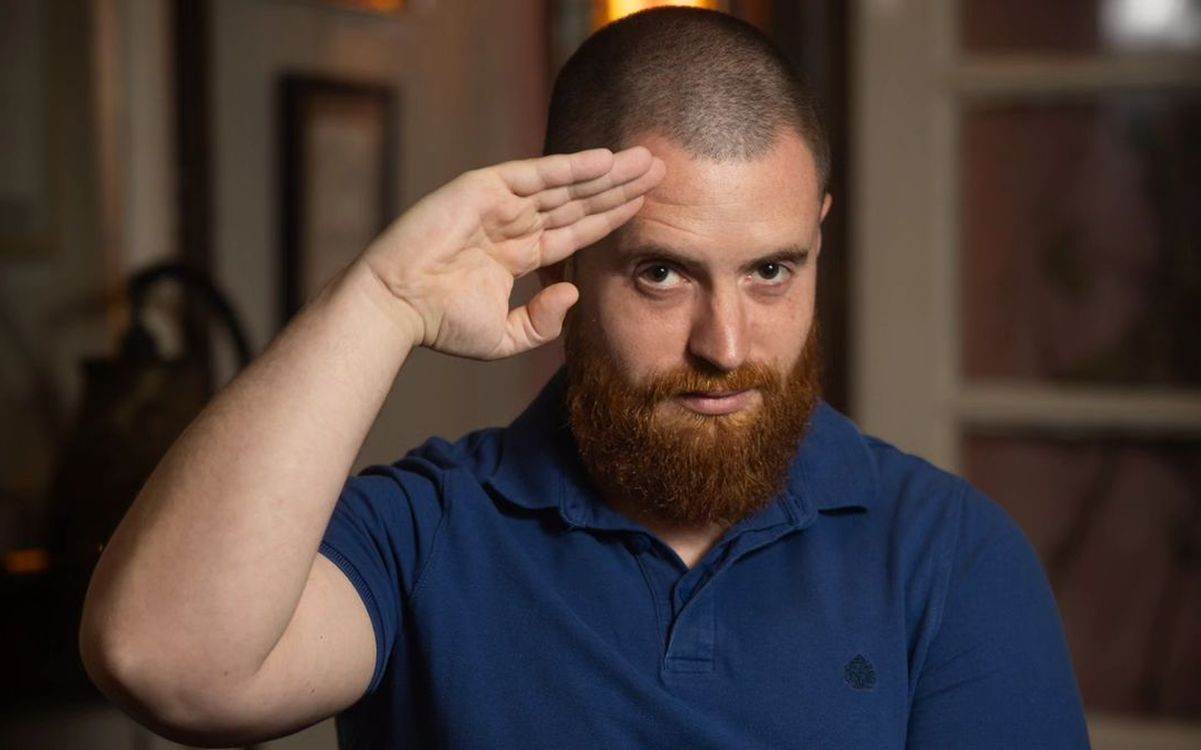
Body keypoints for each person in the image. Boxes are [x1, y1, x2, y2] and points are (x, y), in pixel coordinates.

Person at [79, 8, 1089, 749]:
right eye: (661, 274)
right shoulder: (425, 531)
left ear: (818, 238)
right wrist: (382, 299)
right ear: (563, 253)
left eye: (771, 272)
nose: (725, 344)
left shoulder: (950, 557)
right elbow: (165, 664)